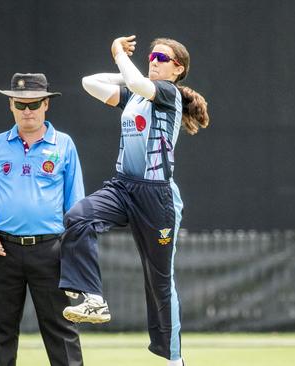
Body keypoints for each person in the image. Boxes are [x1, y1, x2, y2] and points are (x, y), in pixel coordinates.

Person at [58, 36, 210, 366]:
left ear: (177, 69)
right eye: (151, 55)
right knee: (79, 216)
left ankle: (174, 359)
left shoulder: (169, 94)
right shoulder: (134, 94)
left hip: (157, 195)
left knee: (160, 280)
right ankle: (92, 298)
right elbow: (89, 82)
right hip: (124, 187)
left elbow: (140, 82)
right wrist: (126, 72)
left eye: (161, 57)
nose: (153, 59)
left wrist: (118, 55)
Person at [0, 73, 85, 366]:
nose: (27, 111)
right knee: (2, 331)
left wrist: (74, 250)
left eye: (34, 104)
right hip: (3, 249)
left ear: (46, 104)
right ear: (11, 105)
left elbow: (76, 203)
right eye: (20, 104)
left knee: (61, 331)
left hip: (50, 250)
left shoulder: (63, 144)